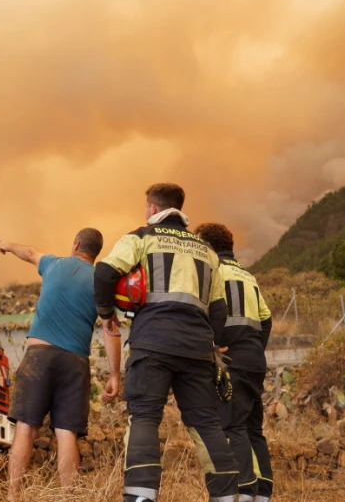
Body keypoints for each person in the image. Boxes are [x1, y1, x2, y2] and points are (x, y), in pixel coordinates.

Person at [94, 183, 239, 502]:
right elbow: (219, 309)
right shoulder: (207, 250)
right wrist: (213, 347)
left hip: (152, 344)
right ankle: (227, 496)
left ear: (152, 209)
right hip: (198, 349)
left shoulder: (141, 236)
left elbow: (104, 273)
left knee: (145, 415)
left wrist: (107, 314)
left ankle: (142, 495)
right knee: (205, 422)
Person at [0, 228, 116, 502]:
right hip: (76, 362)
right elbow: (111, 329)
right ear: (96, 253)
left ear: (75, 245)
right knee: (66, 434)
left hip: (40, 355)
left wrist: (7, 245)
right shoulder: (100, 280)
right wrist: (114, 375)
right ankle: (68, 497)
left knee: (26, 427)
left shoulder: (53, 264)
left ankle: (13, 497)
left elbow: (28, 252)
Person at [197, 222, 274, 502]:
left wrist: (217, 344)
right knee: (254, 428)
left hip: (232, 359)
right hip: (255, 359)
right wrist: (255, 348)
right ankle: (263, 494)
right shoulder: (248, 275)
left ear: (207, 246)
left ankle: (243, 492)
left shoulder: (212, 271)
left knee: (232, 427)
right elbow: (266, 319)